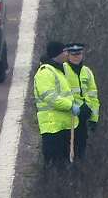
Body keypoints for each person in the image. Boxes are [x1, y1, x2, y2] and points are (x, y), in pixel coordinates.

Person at [33, 40, 80, 168]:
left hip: (63, 125)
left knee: (64, 163)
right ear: (57, 54)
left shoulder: (59, 70)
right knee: (53, 163)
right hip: (52, 127)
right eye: (64, 51)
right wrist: (70, 106)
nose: (67, 54)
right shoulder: (45, 73)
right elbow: (51, 98)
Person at [62, 42, 99, 161]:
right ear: (68, 55)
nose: (76, 57)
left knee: (80, 151)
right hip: (69, 117)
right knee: (67, 152)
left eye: (79, 54)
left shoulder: (87, 71)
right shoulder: (63, 70)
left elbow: (93, 96)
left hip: (83, 117)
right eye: (73, 54)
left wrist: (94, 118)